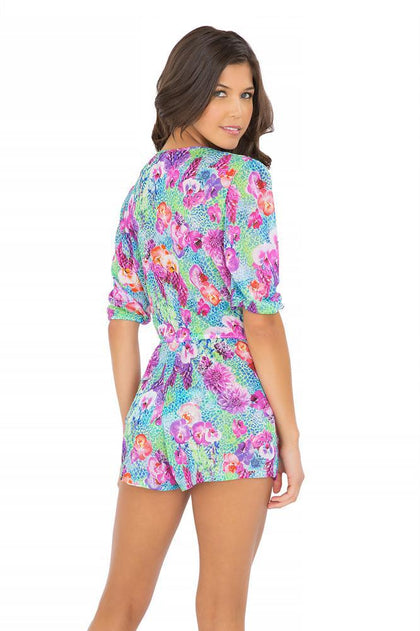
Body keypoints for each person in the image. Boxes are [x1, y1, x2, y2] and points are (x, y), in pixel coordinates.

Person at [88, 25, 304, 631]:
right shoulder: (244, 180)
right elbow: (261, 319)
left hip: (158, 404)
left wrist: (137, 423)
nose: (238, 112)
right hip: (234, 411)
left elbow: (122, 316)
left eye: (246, 94)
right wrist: (290, 435)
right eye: (219, 93)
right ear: (185, 91)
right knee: (220, 609)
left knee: (120, 604)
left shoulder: (142, 189)